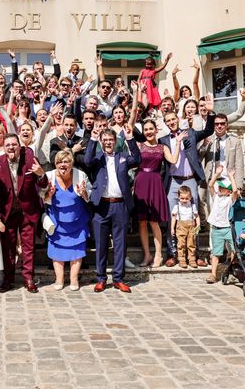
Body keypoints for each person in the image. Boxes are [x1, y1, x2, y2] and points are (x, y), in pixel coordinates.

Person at [0, 136, 49, 293]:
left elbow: (43, 184)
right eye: (8, 145)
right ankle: (8, 279)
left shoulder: (30, 159)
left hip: (28, 210)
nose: (11, 147)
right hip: (7, 211)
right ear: (3, 147)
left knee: (28, 246)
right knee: (8, 247)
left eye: (14, 144)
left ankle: (28, 278)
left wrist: (41, 174)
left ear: (19, 146)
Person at [159, 96, 215, 267]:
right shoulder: (163, 140)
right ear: (166, 123)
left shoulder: (190, 133)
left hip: (190, 180)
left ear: (177, 118)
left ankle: (194, 253)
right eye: (168, 121)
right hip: (173, 182)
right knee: (171, 218)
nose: (171, 122)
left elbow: (208, 131)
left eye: (173, 119)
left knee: (193, 216)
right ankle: (172, 253)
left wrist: (210, 113)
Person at [85, 126, 141, 293]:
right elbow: (87, 161)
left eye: (111, 140)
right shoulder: (97, 158)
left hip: (120, 205)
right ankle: (101, 278)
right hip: (101, 206)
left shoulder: (123, 157)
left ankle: (118, 278)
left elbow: (137, 159)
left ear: (115, 142)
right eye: (105, 140)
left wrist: (130, 139)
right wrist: (93, 139)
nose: (108, 142)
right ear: (102, 143)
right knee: (101, 244)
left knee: (120, 243)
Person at [135, 120, 186, 267]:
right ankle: (147, 255)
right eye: (146, 130)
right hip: (141, 182)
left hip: (155, 182)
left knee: (154, 221)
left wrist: (177, 143)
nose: (149, 131)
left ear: (156, 130)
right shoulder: (139, 146)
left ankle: (158, 255)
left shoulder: (162, 147)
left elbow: (173, 160)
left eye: (151, 129)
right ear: (143, 132)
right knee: (142, 222)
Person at [43, 149, 91, 291]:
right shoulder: (49, 176)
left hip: (77, 219)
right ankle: (59, 279)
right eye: (59, 162)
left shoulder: (80, 175)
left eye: (66, 161)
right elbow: (41, 196)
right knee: (57, 249)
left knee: (77, 249)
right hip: (56, 220)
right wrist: (48, 194)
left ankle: (74, 279)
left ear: (72, 163)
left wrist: (84, 193)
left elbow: (89, 195)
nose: (63, 164)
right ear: (55, 164)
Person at [206, 166, 239, 284]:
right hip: (216, 229)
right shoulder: (216, 197)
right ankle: (213, 274)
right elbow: (210, 185)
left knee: (234, 250)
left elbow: (235, 191)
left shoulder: (230, 200)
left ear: (228, 191)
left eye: (223, 188)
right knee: (216, 253)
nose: (219, 188)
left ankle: (232, 271)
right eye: (219, 186)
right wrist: (217, 173)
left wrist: (231, 177)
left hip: (228, 228)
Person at [170, 186, 200, 269]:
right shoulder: (177, 207)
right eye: (182, 198)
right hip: (180, 227)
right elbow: (173, 218)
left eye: (187, 198)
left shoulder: (192, 206)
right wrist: (172, 228)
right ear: (179, 197)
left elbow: (197, 217)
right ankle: (181, 259)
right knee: (181, 244)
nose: (184, 200)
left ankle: (192, 259)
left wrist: (198, 227)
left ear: (190, 197)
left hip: (191, 227)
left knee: (191, 244)